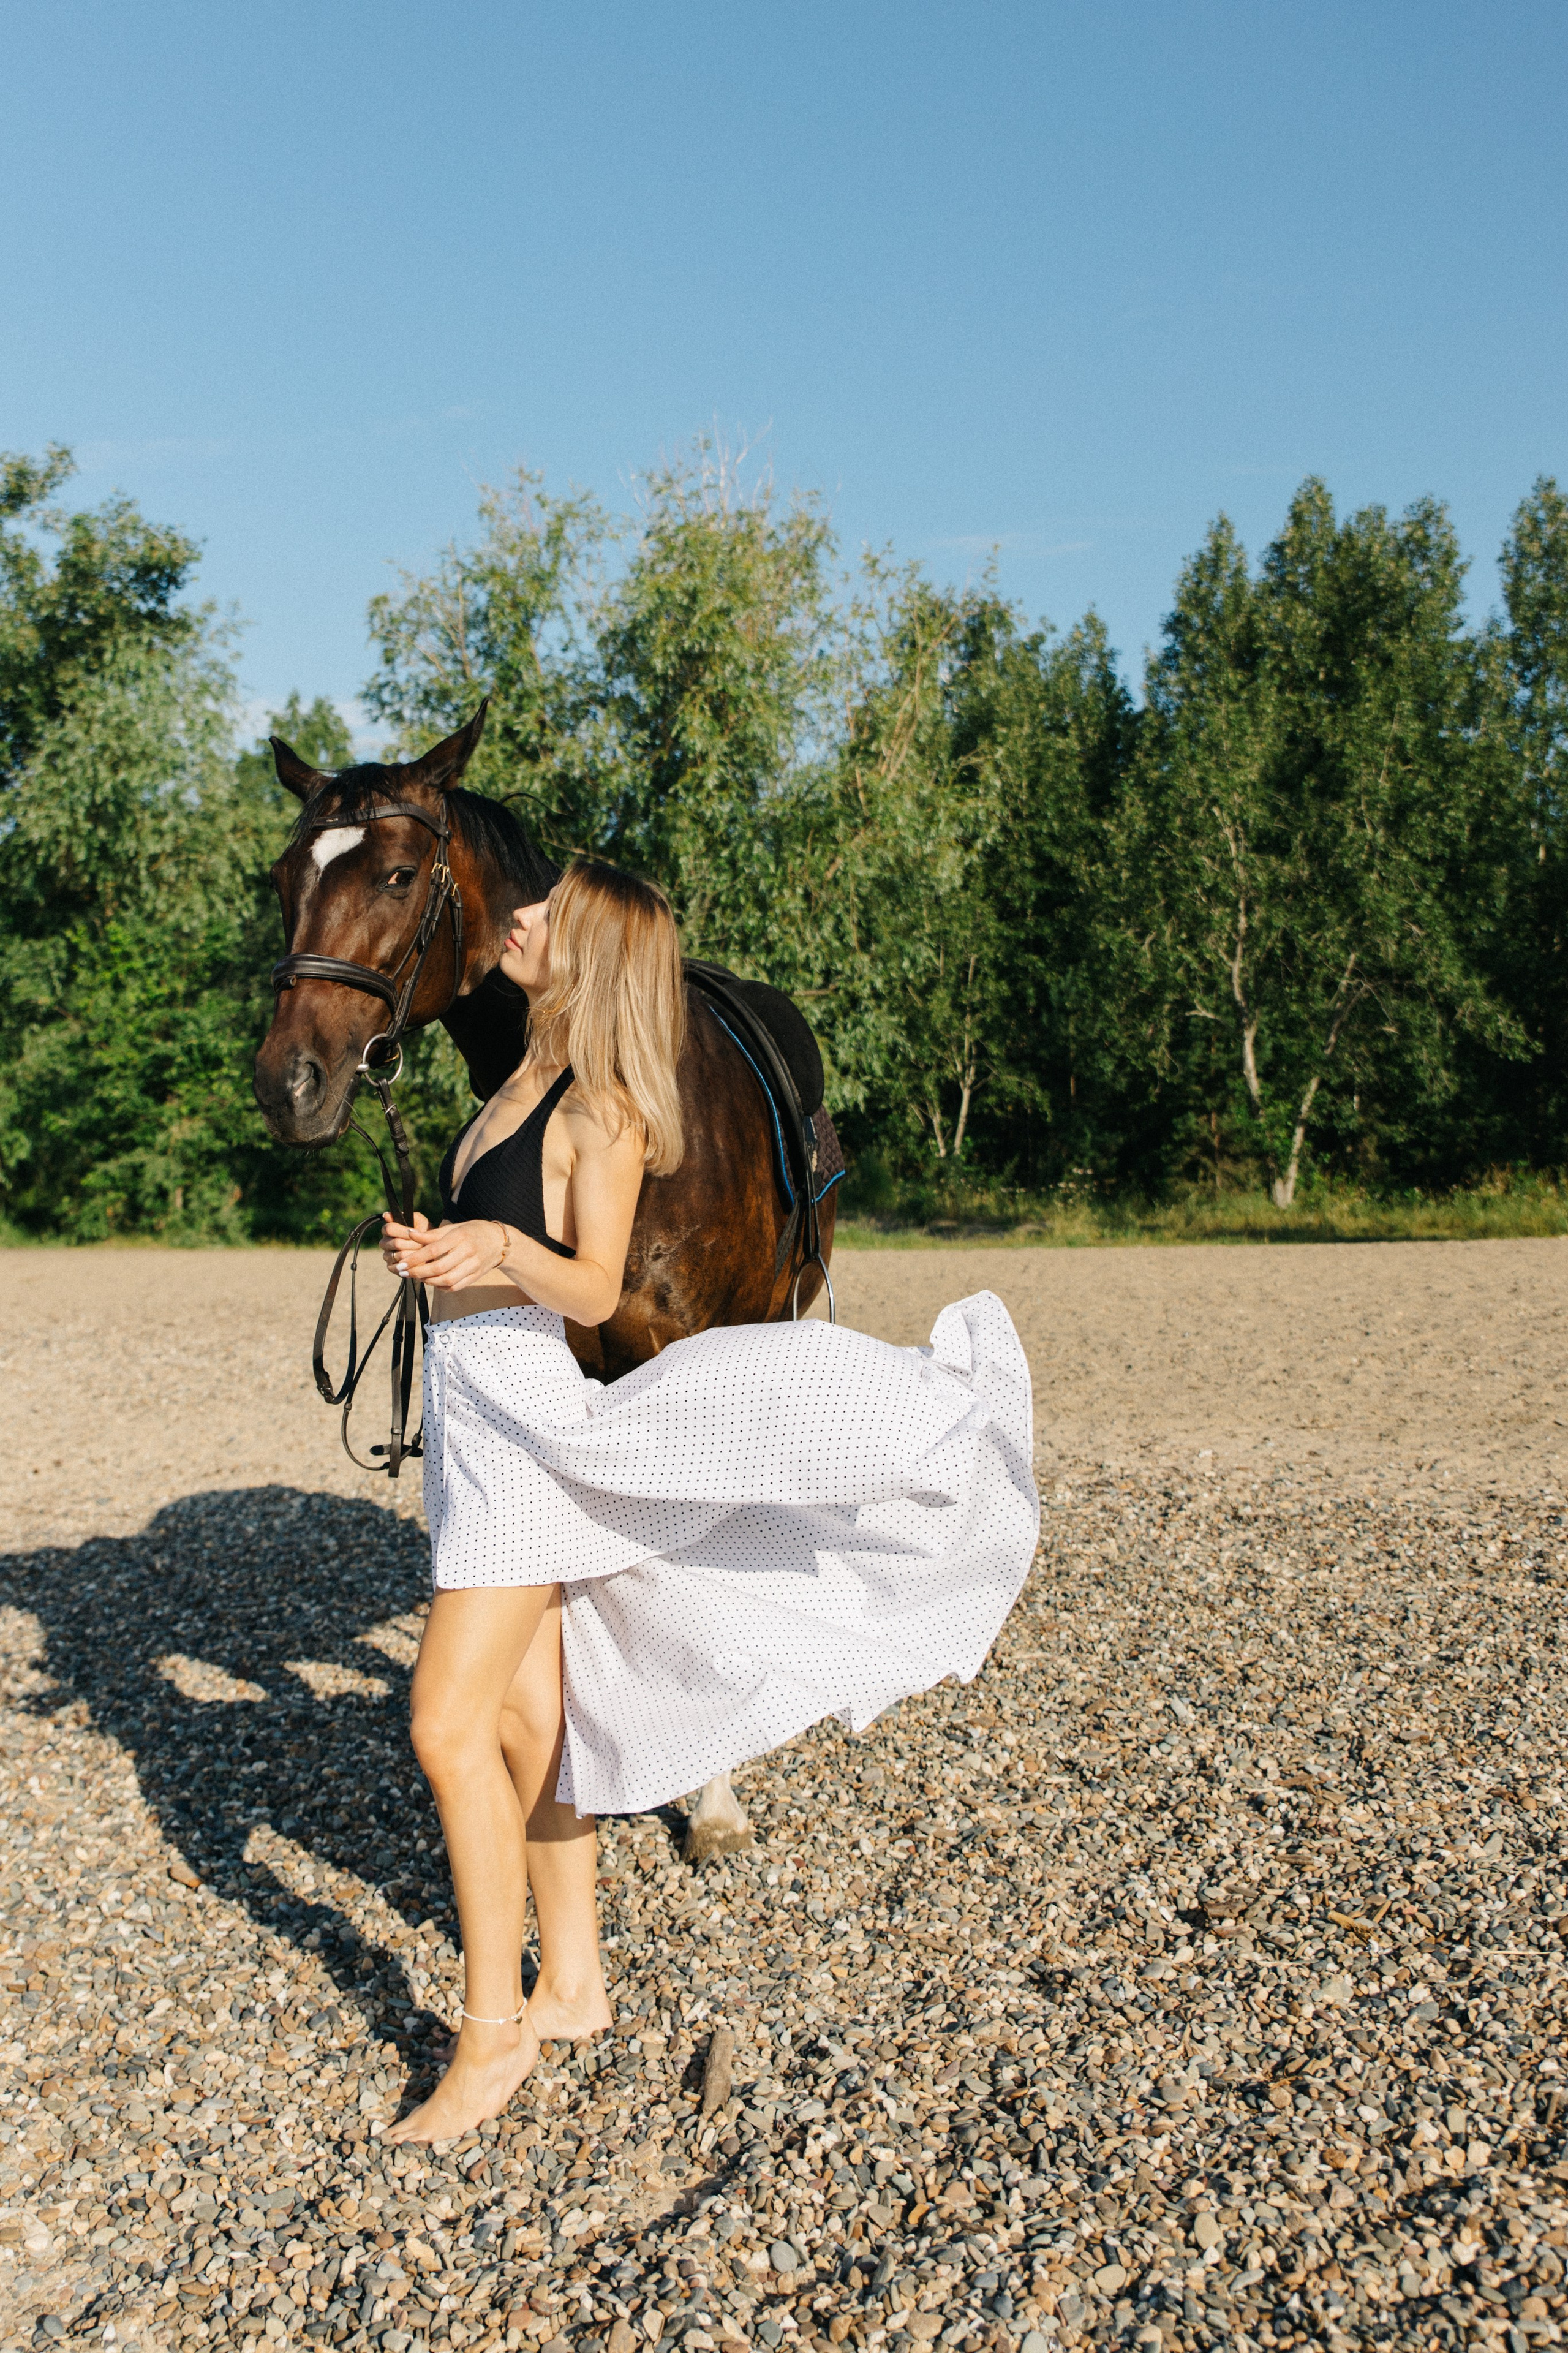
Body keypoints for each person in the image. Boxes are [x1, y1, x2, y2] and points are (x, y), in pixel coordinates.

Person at [379, 859, 1039, 2145]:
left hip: (523, 1430)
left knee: (443, 1726)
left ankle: (490, 2032)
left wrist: (503, 1251)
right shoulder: (514, 1076)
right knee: (526, 1724)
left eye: (543, 918)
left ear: (589, 958)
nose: (514, 922)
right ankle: (572, 1982)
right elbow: (502, 1253)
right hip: (469, 1416)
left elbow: (588, 1288)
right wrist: (442, 1254)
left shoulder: (606, 1109)